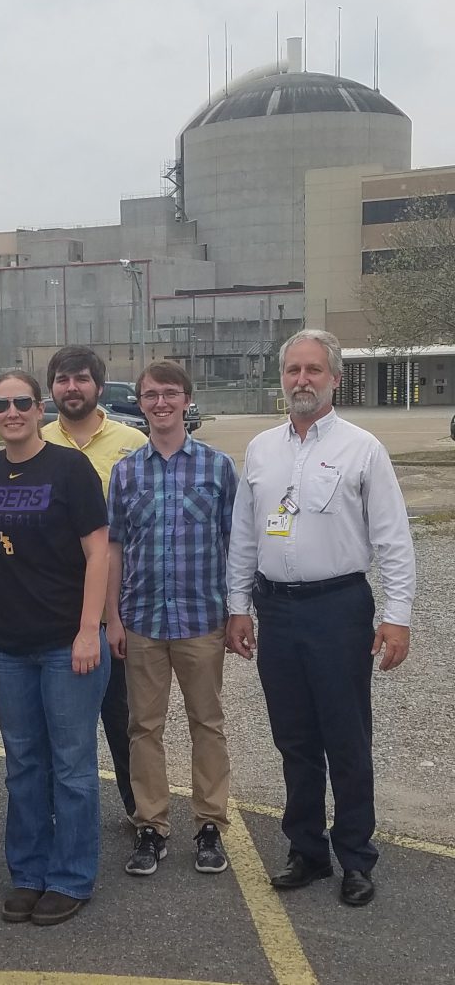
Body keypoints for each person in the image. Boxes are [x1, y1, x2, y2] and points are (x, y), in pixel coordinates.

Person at [225, 329, 415, 907]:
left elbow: (393, 540)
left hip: (338, 610)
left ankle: (356, 856)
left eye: (313, 370)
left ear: (335, 378)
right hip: (276, 609)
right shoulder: (261, 450)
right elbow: (243, 536)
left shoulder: (363, 448)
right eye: (292, 371)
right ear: (281, 378)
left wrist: (398, 614)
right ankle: (306, 850)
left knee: (347, 738)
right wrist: (238, 606)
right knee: (295, 739)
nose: (301, 380)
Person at [0, 370, 109, 927]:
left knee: (72, 766)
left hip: (64, 642)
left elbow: (98, 554)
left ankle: (71, 876)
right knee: (24, 764)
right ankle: (27, 872)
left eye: (21, 402)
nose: (11, 412)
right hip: (4, 644)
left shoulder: (70, 468)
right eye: (0, 404)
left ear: (39, 406)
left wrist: (87, 630)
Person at [107, 360, 237, 878]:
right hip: (141, 620)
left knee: (208, 724)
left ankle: (209, 824)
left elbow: (236, 545)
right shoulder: (126, 472)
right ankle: (151, 827)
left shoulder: (218, 467)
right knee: (144, 728)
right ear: (139, 404)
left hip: (202, 619)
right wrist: (112, 618)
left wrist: (237, 611)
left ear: (186, 400)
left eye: (169, 394)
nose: (160, 403)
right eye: (150, 395)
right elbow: (114, 549)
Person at [41, 345, 147, 825]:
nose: (72, 388)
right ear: (52, 389)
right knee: (56, 725)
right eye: (63, 380)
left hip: (119, 605)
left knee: (124, 718)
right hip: (54, 603)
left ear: (98, 387)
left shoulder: (132, 442)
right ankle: (57, 811)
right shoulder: (37, 441)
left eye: (81, 379)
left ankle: (139, 808)